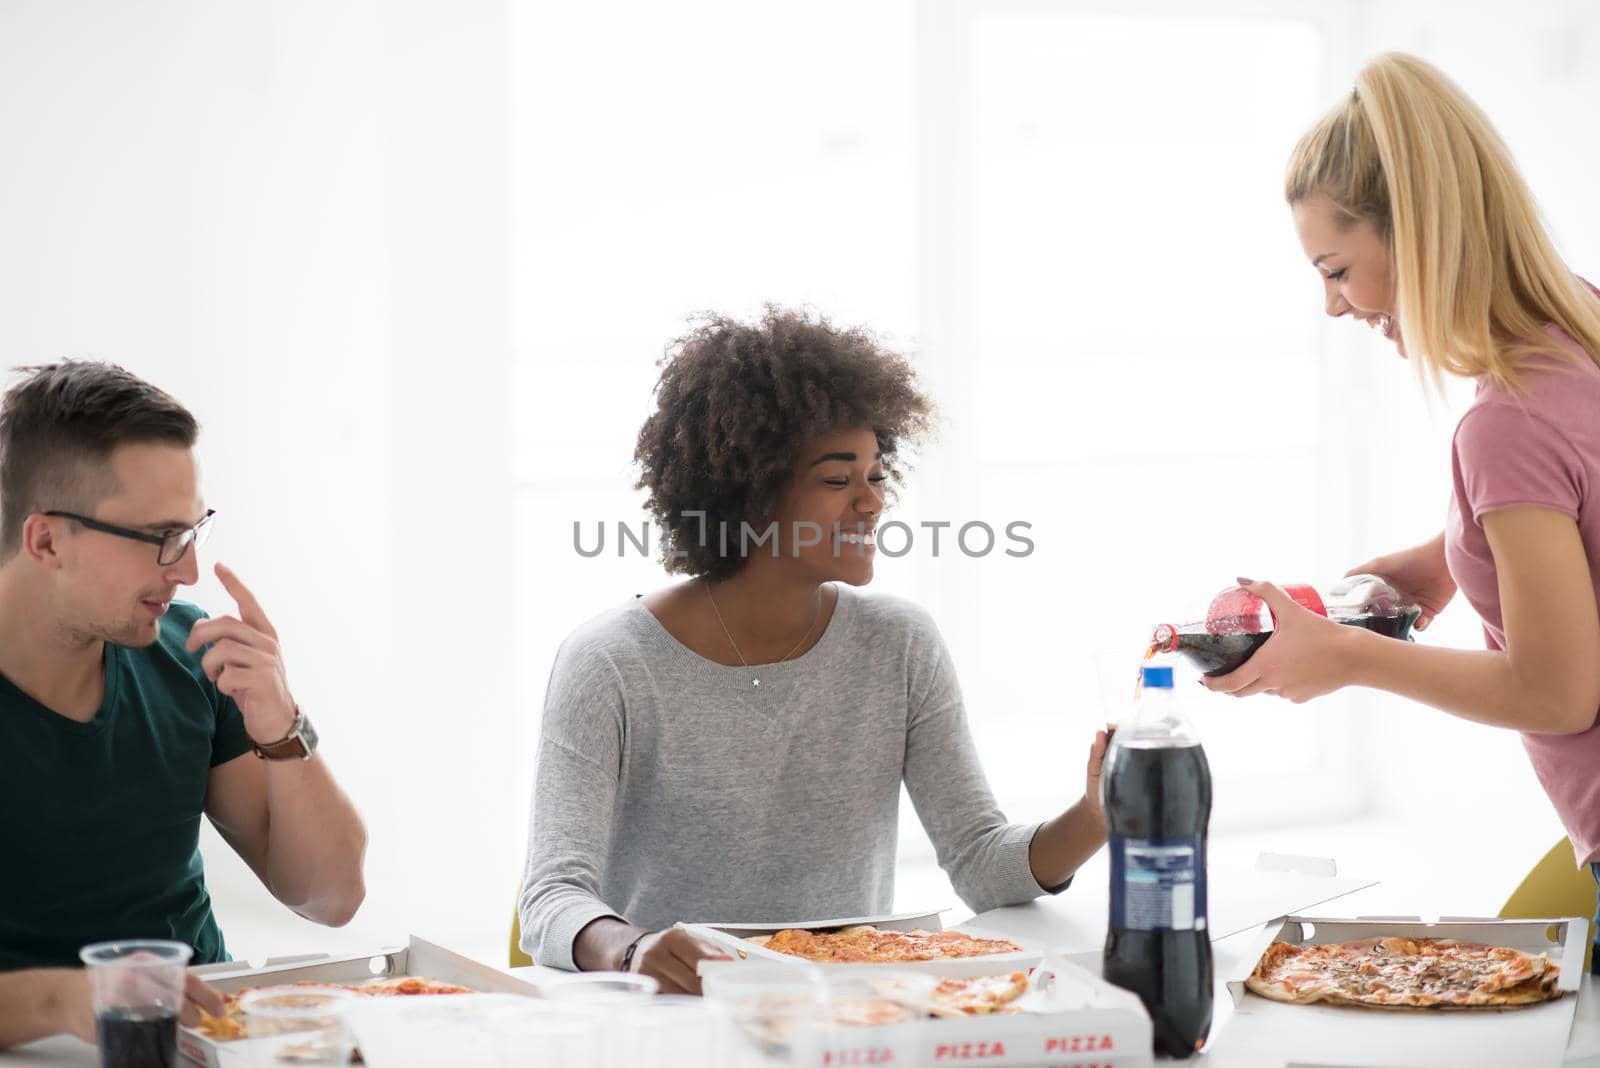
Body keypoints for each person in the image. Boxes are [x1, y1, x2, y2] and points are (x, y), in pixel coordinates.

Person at [519, 308, 1108, 994]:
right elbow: (552, 897)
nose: (872, 503)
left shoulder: (899, 646)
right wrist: (631, 948)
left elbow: (981, 863)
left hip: (848, 1020)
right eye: (838, 480)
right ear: (751, 491)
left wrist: (1097, 814)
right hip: (672, 1018)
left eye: (877, 476)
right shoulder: (612, 662)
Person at [1202, 53, 1600, 974]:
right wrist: (1447, 560)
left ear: (1418, 234)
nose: (1334, 306)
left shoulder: (1504, 421)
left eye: (1337, 269)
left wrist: (1346, 656)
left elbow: (1557, 692)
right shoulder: (1579, 325)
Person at [0, 362, 368, 1047]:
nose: (188, 569)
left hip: (205, 1043)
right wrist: (63, 999)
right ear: (47, 540)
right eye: (160, 538)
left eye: (193, 532)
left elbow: (332, 897)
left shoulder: (187, 655)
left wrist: (281, 726)